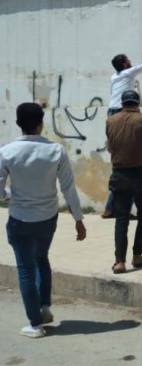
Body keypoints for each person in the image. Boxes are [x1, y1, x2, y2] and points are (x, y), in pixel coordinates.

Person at [0, 103, 87, 338]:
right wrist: (79, 219)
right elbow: (68, 187)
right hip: (48, 218)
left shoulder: (7, 151)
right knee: (42, 259)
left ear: (18, 124)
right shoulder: (56, 150)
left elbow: (0, 190)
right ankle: (45, 306)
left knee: (26, 269)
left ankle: (35, 324)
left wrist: (9, 197)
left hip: (20, 218)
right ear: (41, 123)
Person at [106, 90, 142, 274]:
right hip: (141, 174)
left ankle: (119, 261)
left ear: (122, 103)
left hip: (119, 174)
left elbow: (109, 147)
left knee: (121, 218)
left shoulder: (110, 120)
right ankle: (137, 256)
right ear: (137, 102)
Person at [102, 51, 142, 218]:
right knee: (129, 161)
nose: (131, 62)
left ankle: (112, 208)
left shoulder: (114, 77)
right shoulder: (128, 72)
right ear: (124, 64)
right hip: (122, 110)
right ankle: (116, 208)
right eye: (128, 60)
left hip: (112, 112)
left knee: (121, 162)